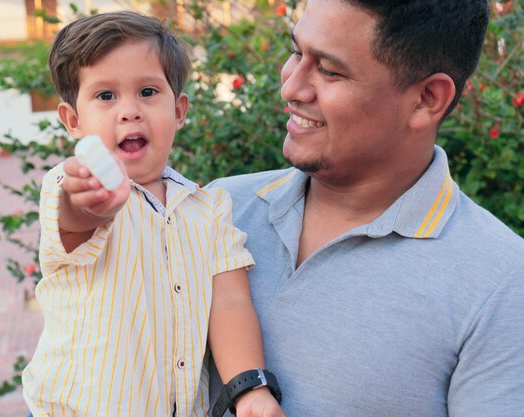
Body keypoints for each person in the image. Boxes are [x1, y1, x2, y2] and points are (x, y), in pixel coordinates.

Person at [209, 0, 524, 416]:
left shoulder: (502, 286)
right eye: (296, 52)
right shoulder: (217, 210)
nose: (290, 87)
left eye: (328, 70)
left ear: (427, 98)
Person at [22, 11, 284, 417]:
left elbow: (230, 303)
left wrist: (249, 388)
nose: (129, 110)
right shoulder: (71, 185)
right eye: (105, 96)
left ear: (178, 111)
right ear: (73, 120)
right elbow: (74, 223)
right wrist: (90, 204)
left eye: (147, 91)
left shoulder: (208, 208)